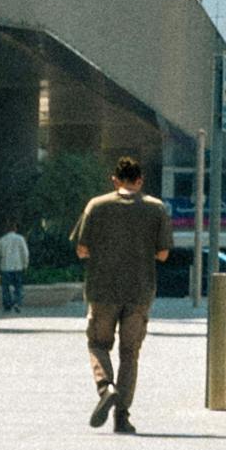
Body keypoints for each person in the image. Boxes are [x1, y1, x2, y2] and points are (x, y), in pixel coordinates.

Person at [76, 169, 169, 430]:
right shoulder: (156, 208)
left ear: (115, 180)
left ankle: (106, 387)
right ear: (140, 181)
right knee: (130, 355)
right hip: (139, 291)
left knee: (98, 344)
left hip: (102, 290)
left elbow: (82, 249)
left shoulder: (96, 205)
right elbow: (163, 254)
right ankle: (122, 417)